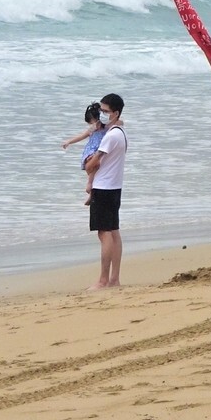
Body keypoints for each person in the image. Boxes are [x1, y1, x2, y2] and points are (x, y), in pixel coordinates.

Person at [83, 93, 127, 290]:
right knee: (114, 232)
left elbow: (94, 163)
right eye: (101, 111)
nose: (102, 115)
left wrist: (87, 166)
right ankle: (114, 279)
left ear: (115, 113)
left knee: (104, 233)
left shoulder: (111, 136)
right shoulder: (120, 132)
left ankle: (103, 280)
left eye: (106, 111)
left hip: (104, 187)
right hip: (114, 187)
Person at [61, 101, 106, 205]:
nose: (92, 125)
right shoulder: (92, 129)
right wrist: (69, 142)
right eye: (91, 123)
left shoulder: (107, 128)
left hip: (100, 152)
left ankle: (91, 190)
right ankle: (90, 186)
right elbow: (81, 136)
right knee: (92, 165)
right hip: (91, 151)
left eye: (92, 122)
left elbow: (119, 123)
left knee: (96, 167)